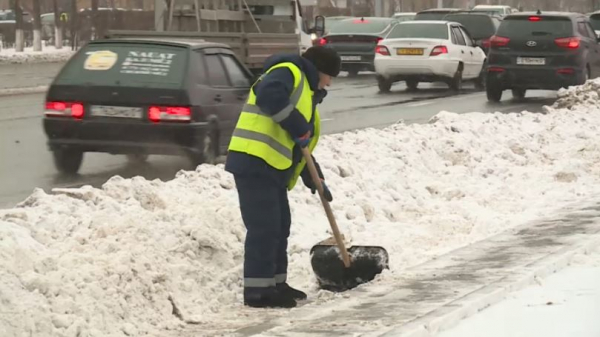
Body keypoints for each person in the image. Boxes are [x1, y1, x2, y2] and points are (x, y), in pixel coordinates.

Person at [225, 46, 341, 308]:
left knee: (279, 226)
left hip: (271, 167)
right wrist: (298, 125)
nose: (329, 83)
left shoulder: (306, 98)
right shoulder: (288, 71)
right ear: (319, 70)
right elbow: (268, 94)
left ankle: (276, 284)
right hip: (254, 161)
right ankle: (257, 292)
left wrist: (316, 180)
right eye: (329, 76)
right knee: (264, 228)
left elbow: (302, 151)